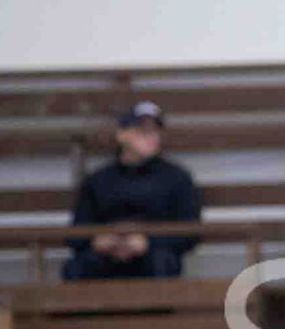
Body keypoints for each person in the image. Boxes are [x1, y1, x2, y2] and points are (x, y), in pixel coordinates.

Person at [66, 101, 202, 280]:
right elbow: (76, 231)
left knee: (162, 263)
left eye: (155, 131)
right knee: (77, 268)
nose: (152, 137)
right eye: (143, 131)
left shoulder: (177, 178)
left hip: (154, 257)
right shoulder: (98, 180)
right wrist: (98, 241)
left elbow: (190, 231)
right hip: (105, 257)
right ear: (122, 135)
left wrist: (148, 242)